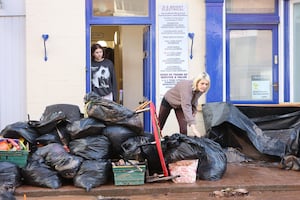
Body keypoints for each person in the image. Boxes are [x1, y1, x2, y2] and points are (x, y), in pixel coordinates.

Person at [158, 72, 210, 136]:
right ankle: (154, 141)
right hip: (168, 101)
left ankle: (182, 145)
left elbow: (194, 100)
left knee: (184, 129)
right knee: (159, 126)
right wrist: (194, 129)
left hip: (180, 105)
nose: (204, 86)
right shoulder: (187, 88)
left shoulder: (201, 89)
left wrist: (193, 111)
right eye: (202, 83)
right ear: (197, 82)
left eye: (206, 84)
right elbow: (187, 106)